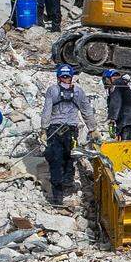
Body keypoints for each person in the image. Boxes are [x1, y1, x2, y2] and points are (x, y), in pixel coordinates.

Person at [41, 64, 101, 205]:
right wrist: (92, 129)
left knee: (56, 160)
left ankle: (58, 195)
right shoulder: (79, 92)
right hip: (71, 131)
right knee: (69, 156)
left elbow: (47, 111)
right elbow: (86, 111)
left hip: (55, 130)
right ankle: (67, 182)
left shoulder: (53, 90)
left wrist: (43, 129)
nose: (65, 79)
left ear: (58, 77)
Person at [102, 69, 131, 141]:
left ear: (109, 78)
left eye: (105, 80)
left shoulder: (116, 84)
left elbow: (116, 101)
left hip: (128, 122)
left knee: (128, 146)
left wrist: (112, 118)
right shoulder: (130, 83)